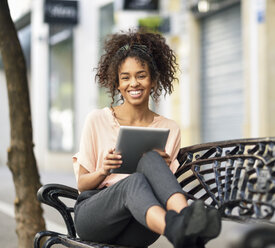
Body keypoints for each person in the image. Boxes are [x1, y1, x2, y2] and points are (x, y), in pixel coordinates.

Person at [72, 30, 221, 248]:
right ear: (117, 84)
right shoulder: (97, 120)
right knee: (134, 181)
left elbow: (163, 191)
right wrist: (103, 170)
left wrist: (162, 165)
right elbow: (82, 185)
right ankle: (182, 229)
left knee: (151, 160)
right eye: (126, 77)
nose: (134, 83)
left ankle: (187, 222)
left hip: (140, 223)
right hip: (95, 217)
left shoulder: (169, 129)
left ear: (153, 80)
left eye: (141, 75)